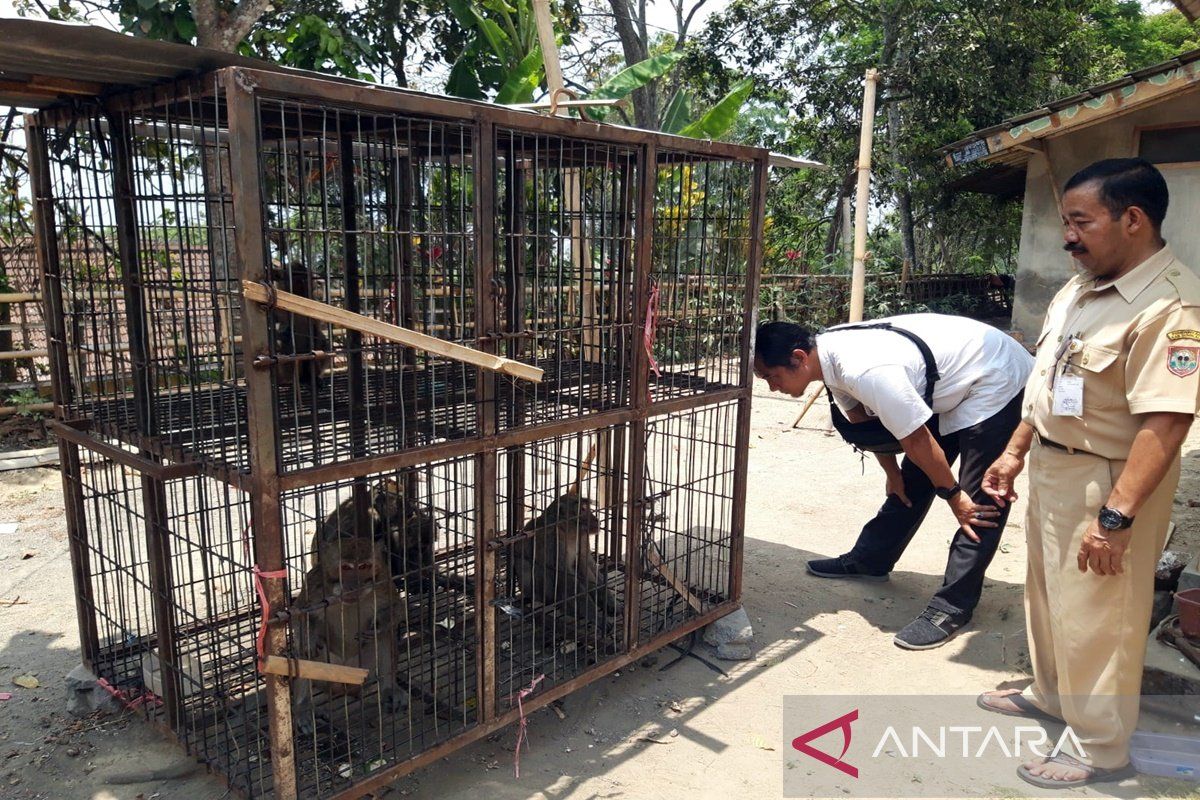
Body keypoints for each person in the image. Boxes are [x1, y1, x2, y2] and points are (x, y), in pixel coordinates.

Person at [978, 158, 1200, 789]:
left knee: (1104, 616)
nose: (1068, 236)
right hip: (1053, 464)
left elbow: (1167, 424)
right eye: (1066, 222)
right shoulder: (1082, 285)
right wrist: (1017, 449)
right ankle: (1051, 696)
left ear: (1132, 219)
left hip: (1110, 480)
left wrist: (1116, 517)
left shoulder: (1174, 307)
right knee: (1050, 597)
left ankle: (1102, 748)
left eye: (1081, 221)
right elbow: (1050, 382)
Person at [755, 314, 1034, 649]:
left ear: (799, 358)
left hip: (995, 378)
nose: (772, 387)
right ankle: (870, 559)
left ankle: (953, 604)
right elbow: (864, 422)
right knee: (913, 478)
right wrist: (892, 474)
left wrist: (955, 496)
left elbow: (916, 440)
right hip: (950, 381)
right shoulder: (829, 360)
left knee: (980, 500)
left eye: (772, 377)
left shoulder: (866, 370)